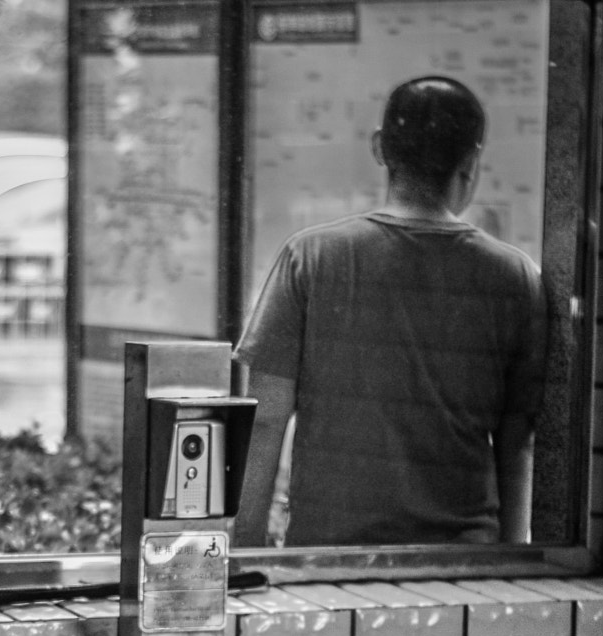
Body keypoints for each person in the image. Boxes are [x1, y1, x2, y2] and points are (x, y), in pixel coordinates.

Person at [233, 75, 547, 548]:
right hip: (462, 563)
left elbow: (265, 420)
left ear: (380, 147)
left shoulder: (310, 258)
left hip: (329, 558)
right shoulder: (514, 278)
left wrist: (246, 554)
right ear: (471, 161)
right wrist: (510, 558)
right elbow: (516, 440)